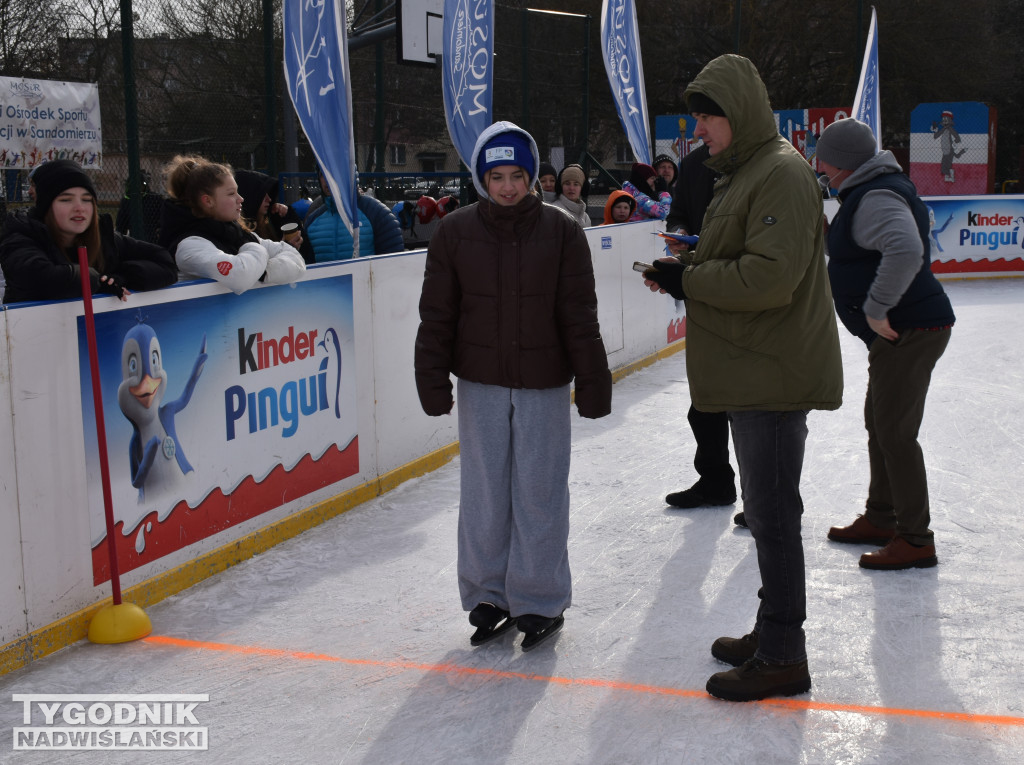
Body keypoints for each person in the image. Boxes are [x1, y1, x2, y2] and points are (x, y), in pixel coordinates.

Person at [641, 55, 843, 702]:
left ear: (739, 112)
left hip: (773, 372)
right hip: (754, 366)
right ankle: (771, 629)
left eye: (706, 116)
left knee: (774, 517)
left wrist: (689, 279)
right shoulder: (745, 171)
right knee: (766, 511)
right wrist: (688, 262)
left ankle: (785, 652)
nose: (698, 129)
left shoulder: (780, 172)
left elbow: (769, 277)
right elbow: (741, 253)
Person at [414, 121, 612, 651]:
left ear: (532, 177)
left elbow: (578, 313)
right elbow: (437, 315)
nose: (507, 186)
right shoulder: (455, 233)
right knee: (483, 492)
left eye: (517, 175)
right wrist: (431, 378)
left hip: (544, 384)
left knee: (540, 491)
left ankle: (540, 599)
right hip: (479, 384)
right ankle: (488, 593)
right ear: (481, 177)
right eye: (496, 175)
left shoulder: (562, 231)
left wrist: (593, 380)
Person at [816, 118, 955, 570]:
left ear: (842, 162)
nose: (818, 166)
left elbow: (904, 248)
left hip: (910, 328)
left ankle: (915, 539)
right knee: (879, 421)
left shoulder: (874, 194)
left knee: (895, 432)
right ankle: (881, 517)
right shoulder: (869, 188)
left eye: (823, 159)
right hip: (906, 328)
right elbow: (864, 248)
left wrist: (876, 308)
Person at [662, 142, 740, 519]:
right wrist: (678, 233)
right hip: (701, 290)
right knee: (705, 402)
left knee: (751, 405)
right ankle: (716, 481)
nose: (699, 129)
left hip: (746, 294)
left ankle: (768, 497)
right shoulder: (693, 163)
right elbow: (678, 213)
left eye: (707, 116)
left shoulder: (760, 160)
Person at [0, 159, 176, 304]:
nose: (79, 208)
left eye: (86, 200)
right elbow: (42, 278)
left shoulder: (104, 238)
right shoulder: (21, 236)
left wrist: (122, 275)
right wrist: (98, 281)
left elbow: (164, 263)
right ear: (46, 206)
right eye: (66, 200)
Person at [159, 155, 305, 294]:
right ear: (208, 201)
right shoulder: (189, 245)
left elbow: (295, 259)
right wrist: (253, 248)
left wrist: (264, 271)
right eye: (231, 194)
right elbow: (240, 276)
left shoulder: (237, 233)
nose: (240, 199)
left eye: (238, 192)